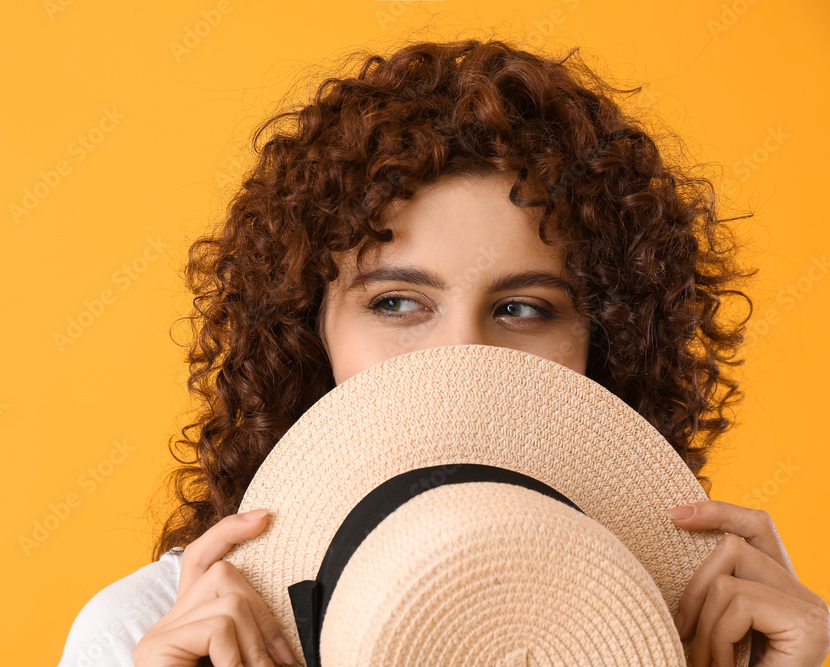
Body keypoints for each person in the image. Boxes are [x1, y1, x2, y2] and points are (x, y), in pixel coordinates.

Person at [57, 37, 830, 667]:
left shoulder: (719, 635)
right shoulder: (151, 636)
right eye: (397, 303)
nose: (461, 355)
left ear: (609, 342)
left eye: (523, 308)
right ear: (306, 329)